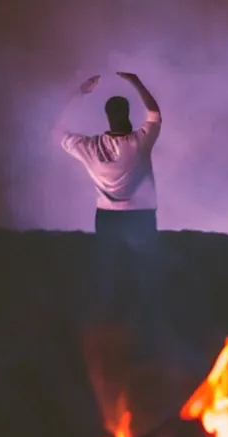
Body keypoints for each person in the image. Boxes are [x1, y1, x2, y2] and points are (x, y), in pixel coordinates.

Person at [53, 72, 164, 344]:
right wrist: (137, 82)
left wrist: (79, 93)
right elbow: (155, 114)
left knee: (110, 274)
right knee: (145, 275)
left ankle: (111, 331)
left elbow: (57, 131)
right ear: (127, 114)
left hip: (107, 219)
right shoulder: (139, 143)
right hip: (141, 217)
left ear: (107, 116)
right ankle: (146, 332)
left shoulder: (89, 147)